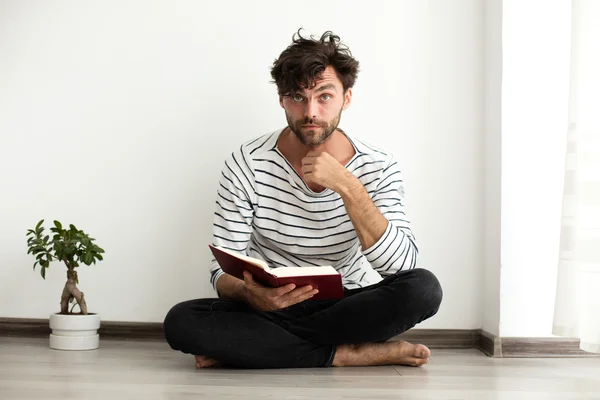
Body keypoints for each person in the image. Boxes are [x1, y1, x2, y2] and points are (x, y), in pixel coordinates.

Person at [163, 29, 443, 369]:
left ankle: (259, 348)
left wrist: (348, 186)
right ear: (281, 100)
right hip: (268, 305)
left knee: (425, 289)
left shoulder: (378, 166)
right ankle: (347, 353)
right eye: (297, 97)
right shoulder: (246, 162)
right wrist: (250, 293)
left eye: (324, 96)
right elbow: (221, 272)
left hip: (346, 304)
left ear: (346, 98)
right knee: (180, 321)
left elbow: (400, 267)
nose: (310, 111)